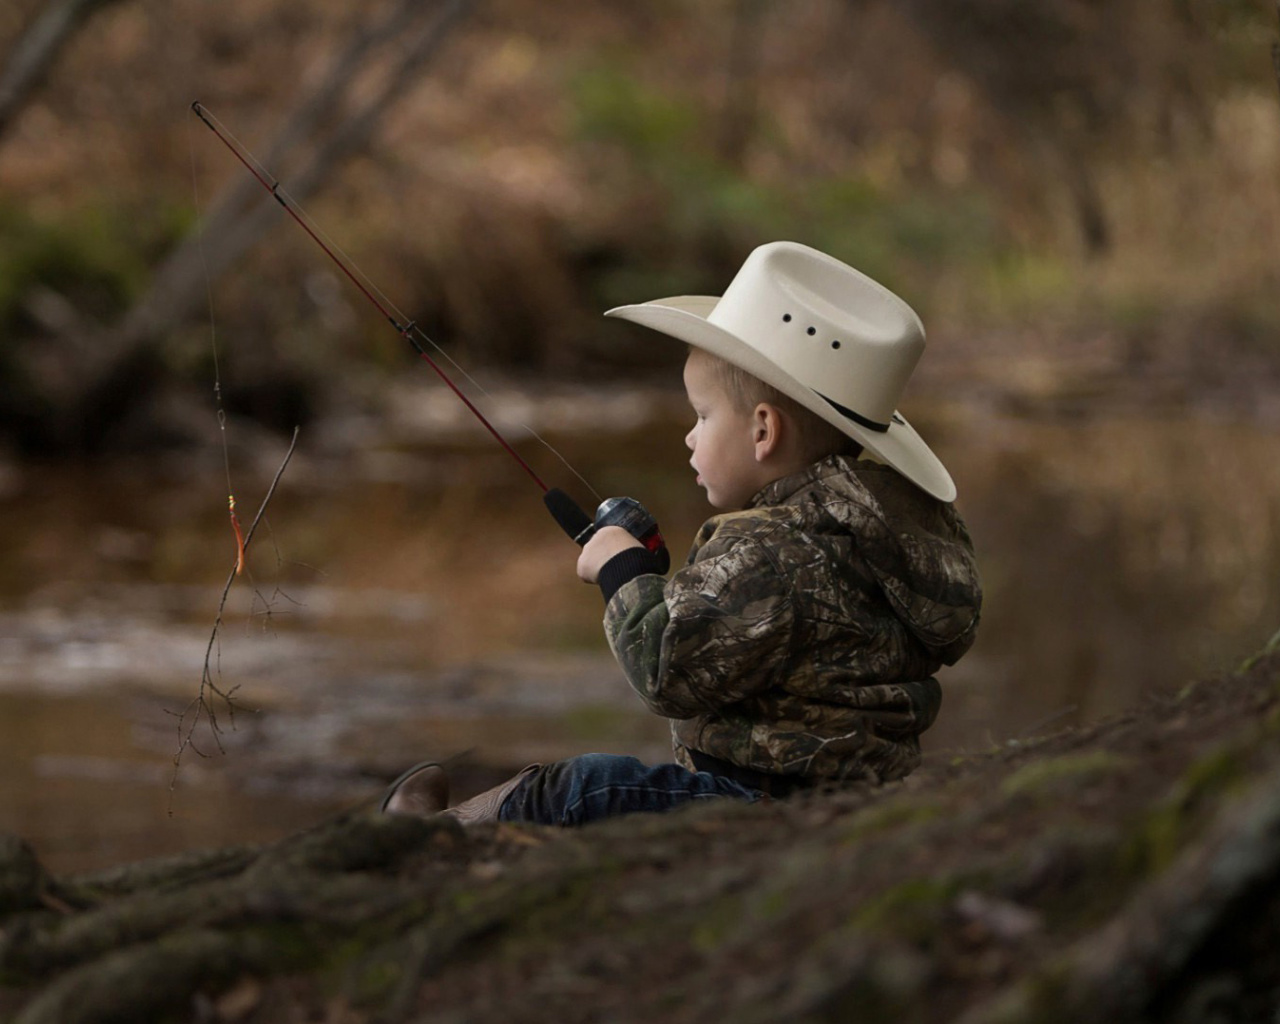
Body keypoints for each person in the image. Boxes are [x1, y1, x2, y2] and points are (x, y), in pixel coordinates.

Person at [381, 241, 982, 825]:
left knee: (584, 787)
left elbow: (666, 671)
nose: (690, 437)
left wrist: (624, 573)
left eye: (701, 415)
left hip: (766, 806)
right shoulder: (880, 533)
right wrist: (668, 586)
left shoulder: (768, 552)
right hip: (855, 799)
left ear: (763, 431)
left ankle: (428, 843)